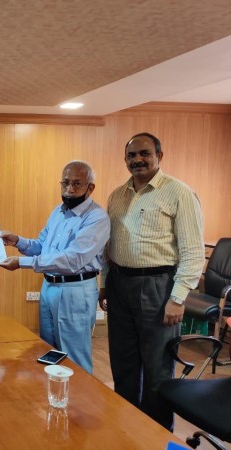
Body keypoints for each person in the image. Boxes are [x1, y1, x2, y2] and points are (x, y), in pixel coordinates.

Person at [99, 132, 204, 430]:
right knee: (123, 361)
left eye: (144, 153)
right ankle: (126, 427)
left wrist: (178, 297)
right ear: (125, 160)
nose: (138, 160)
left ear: (159, 155)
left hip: (159, 287)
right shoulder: (117, 196)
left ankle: (156, 433)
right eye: (131, 155)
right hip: (120, 284)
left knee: (157, 367)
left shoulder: (179, 193)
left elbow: (193, 252)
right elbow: (109, 246)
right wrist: (104, 283)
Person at [0, 160, 110, 373]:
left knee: (74, 356)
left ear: (90, 187)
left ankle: (80, 394)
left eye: (76, 184)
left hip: (75, 290)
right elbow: (43, 246)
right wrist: (17, 241)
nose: (69, 189)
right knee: (48, 350)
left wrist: (21, 263)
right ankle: (55, 392)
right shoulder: (58, 211)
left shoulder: (97, 218)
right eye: (65, 183)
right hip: (49, 286)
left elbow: (72, 260)